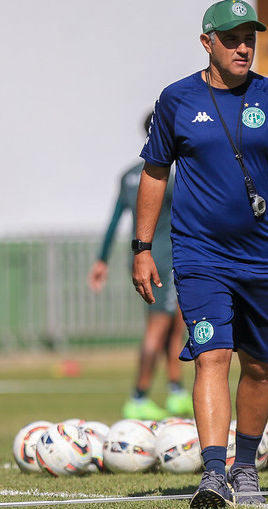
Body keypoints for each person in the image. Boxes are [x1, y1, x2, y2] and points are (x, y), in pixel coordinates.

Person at [132, 0, 268, 508]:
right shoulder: (176, 99)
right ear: (206, 42)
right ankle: (214, 475)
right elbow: (154, 173)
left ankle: (245, 469)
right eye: (233, 39)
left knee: (258, 367)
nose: (243, 48)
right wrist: (143, 248)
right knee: (211, 356)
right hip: (199, 255)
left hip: (260, 257)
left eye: (250, 39)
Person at [87, 112, 192, 421]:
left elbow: (114, 220)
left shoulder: (129, 174)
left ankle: (175, 391)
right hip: (167, 258)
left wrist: (101, 260)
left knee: (174, 323)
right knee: (158, 327)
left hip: (143, 258)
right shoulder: (170, 174)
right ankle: (138, 396)